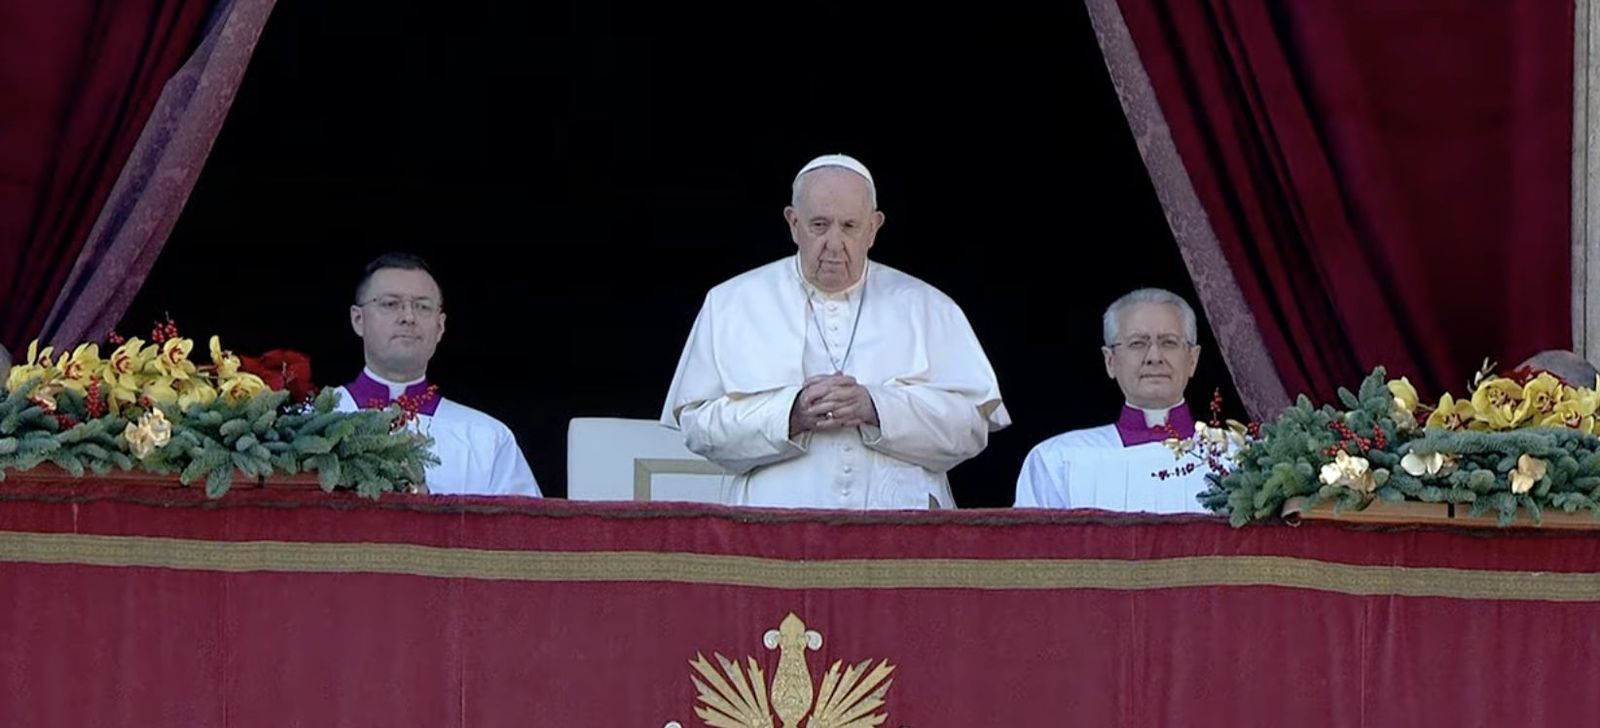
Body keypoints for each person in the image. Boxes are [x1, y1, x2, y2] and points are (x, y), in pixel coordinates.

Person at [660, 153, 1009, 509]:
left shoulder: (929, 306)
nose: (834, 243)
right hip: (773, 533)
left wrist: (876, 407)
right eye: (819, 225)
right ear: (793, 223)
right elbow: (697, 425)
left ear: (873, 228)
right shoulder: (731, 303)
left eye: (849, 226)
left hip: (902, 536)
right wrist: (789, 415)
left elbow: (971, 426)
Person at [332, 252, 541, 496]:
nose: (408, 317)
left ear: (440, 327)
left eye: (422, 306)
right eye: (390, 304)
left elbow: (524, 530)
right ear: (358, 319)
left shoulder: (487, 438)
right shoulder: (307, 423)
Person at [1014, 287, 1216, 513]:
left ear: (1192, 359)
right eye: (1137, 343)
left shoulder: (1240, 459)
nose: (1154, 357)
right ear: (1110, 361)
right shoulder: (1057, 460)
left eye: (1168, 342)